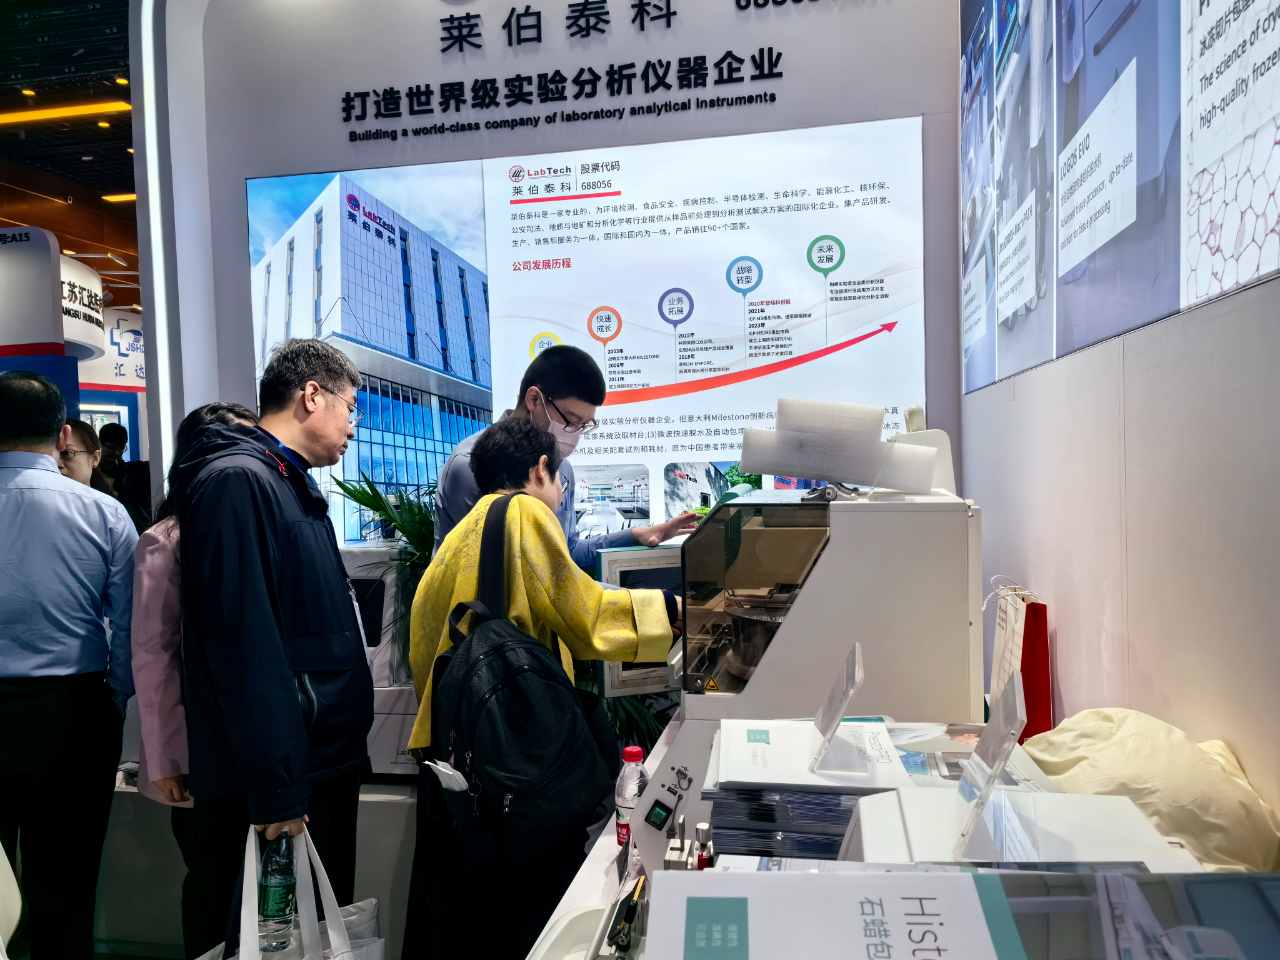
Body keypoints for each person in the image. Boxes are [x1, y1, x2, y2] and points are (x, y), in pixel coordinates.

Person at [403, 416, 679, 960]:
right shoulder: (524, 512)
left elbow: (423, 651)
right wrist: (670, 609)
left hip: (460, 765)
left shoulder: (458, 538)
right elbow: (584, 611)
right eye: (561, 480)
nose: (561, 495)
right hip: (519, 764)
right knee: (534, 910)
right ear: (540, 470)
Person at [173, 339, 373, 949]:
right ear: (312, 395)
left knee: (310, 940)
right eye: (350, 407)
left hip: (314, 763)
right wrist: (278, 786)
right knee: (272, 941)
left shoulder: (282, 480)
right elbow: (246, 649)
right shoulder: (239, 482)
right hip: (281, 782)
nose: (353, 425)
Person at [0, 371, 138, 959]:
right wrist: (115, 696)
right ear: (62, 436)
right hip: (73, 712)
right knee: (68, 879)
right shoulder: (104, 512)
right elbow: (131, 623)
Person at [129, 401, 258, 959]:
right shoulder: (167, 538)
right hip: (197, 751)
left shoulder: (247, 526)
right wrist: (165, 758)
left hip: (249, 744)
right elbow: (153, 653)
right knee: (213, 882)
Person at [432, 345, 695, 573]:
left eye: (584, 425)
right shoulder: (472, 465)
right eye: (570, 420)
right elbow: (516, 576)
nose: (574, 434)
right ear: (534, 399)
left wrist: (637, 535)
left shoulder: (562, 467)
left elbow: (566, 552)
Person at [58, 417, 114, 495]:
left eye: (66, 453)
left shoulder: (105, 502)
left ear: (95, 459)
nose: (55, 462)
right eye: (48, 455)